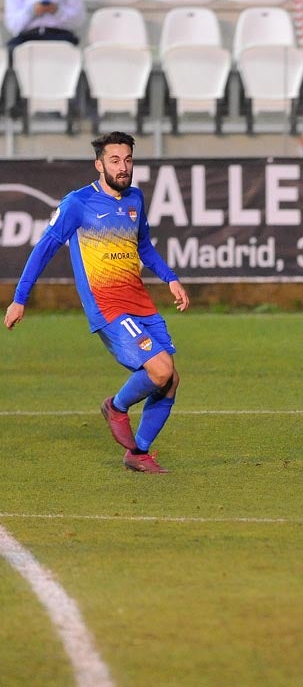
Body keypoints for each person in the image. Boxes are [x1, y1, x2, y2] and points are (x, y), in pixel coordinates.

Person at [4, 132, 190, 474]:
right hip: (108, 307)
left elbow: (143, 246)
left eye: (128, 160)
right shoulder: (78, 203)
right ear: (99, 164)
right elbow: (43, 248)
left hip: (141, 304)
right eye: (115, 161)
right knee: (160, 368)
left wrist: (170, 277)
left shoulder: (134, 199)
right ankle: (116, 407)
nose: (123, 167)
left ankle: (138, 453)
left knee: (170, 379)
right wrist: (19, 299)